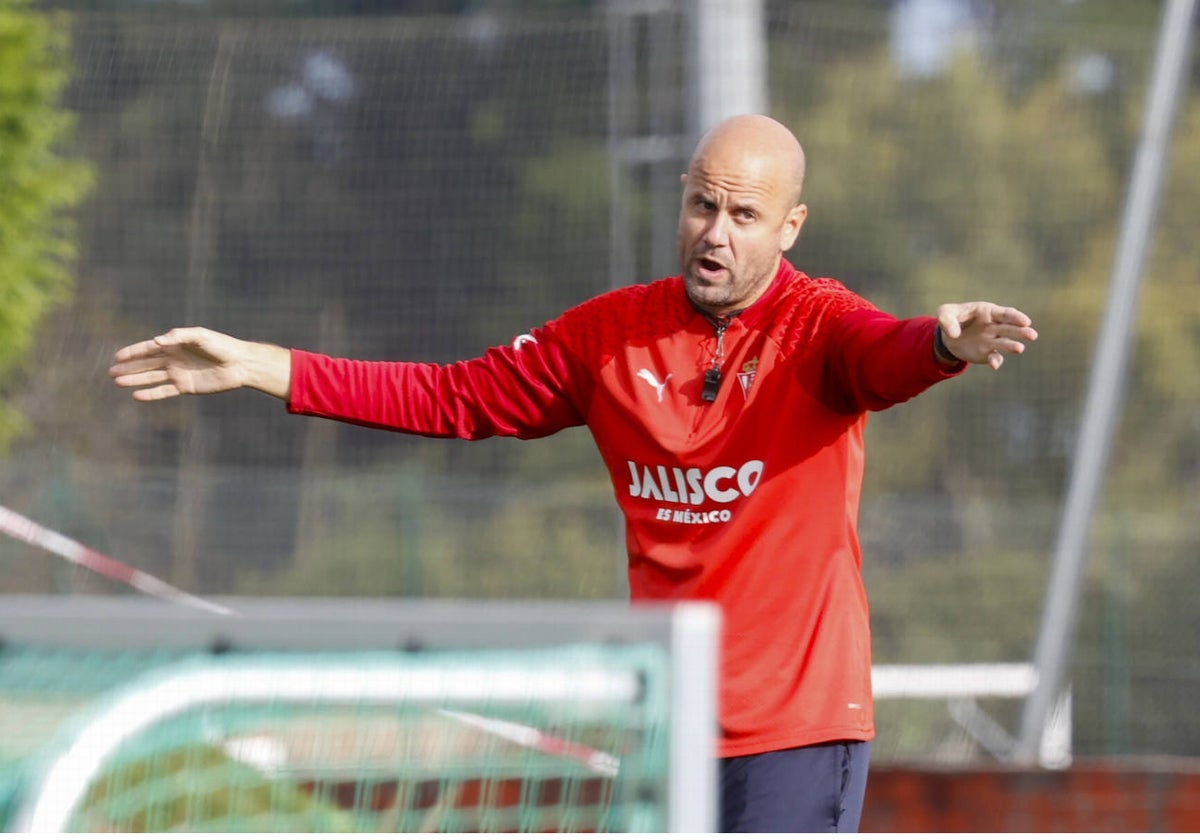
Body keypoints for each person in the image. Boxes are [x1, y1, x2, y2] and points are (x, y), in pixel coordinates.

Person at [110, 114, 1037, 832]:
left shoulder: (820, 328)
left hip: (797, 735)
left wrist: (944, 345)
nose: (716, 233)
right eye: (702, 204)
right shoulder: (607, 336)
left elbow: (886, 354)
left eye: (745, 215)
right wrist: (260, 365)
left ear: (789, 227)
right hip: (667, 728)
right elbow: (454, 397)